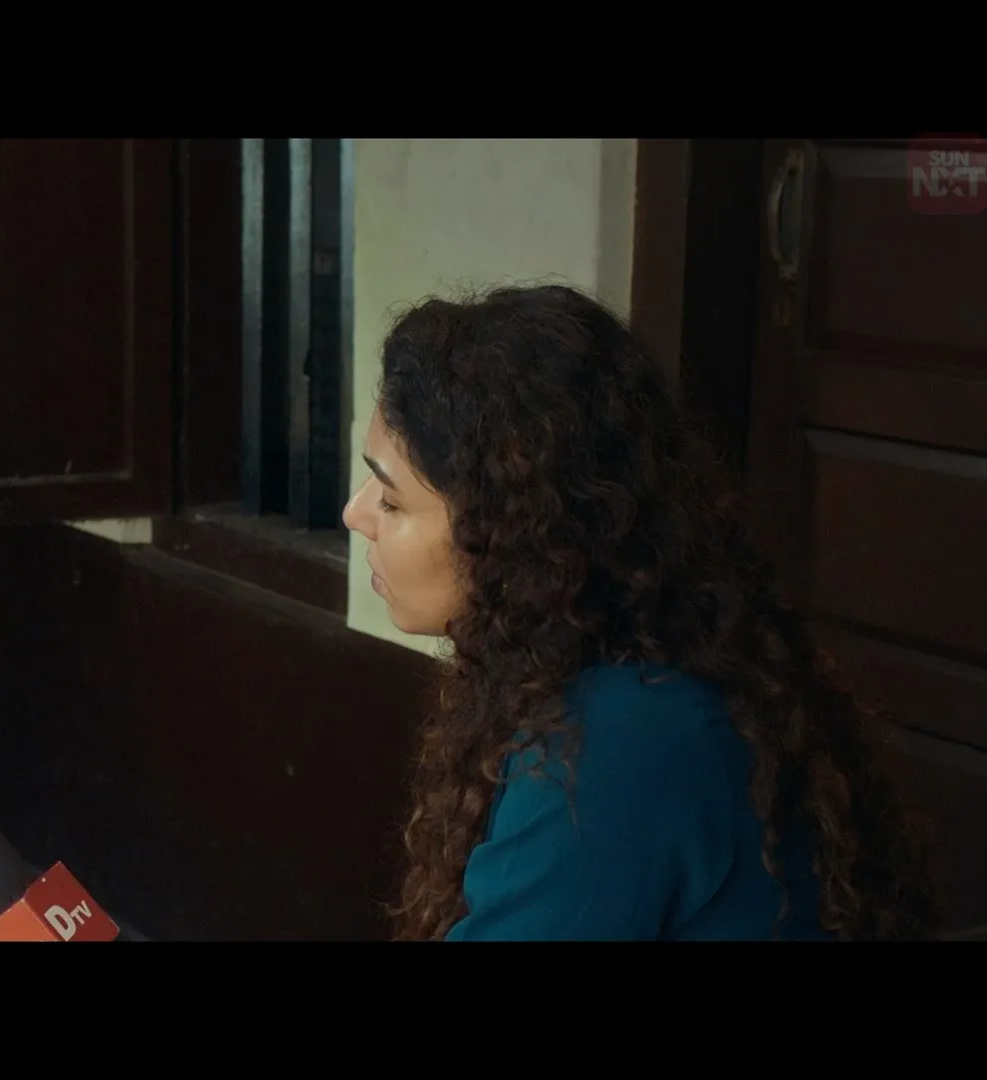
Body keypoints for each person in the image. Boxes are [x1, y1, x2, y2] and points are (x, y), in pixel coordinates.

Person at [343, 282, 934, 941]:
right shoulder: (623, 669)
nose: (354, 513)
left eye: (391, 500)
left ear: (516, 532)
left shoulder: (624, 738)